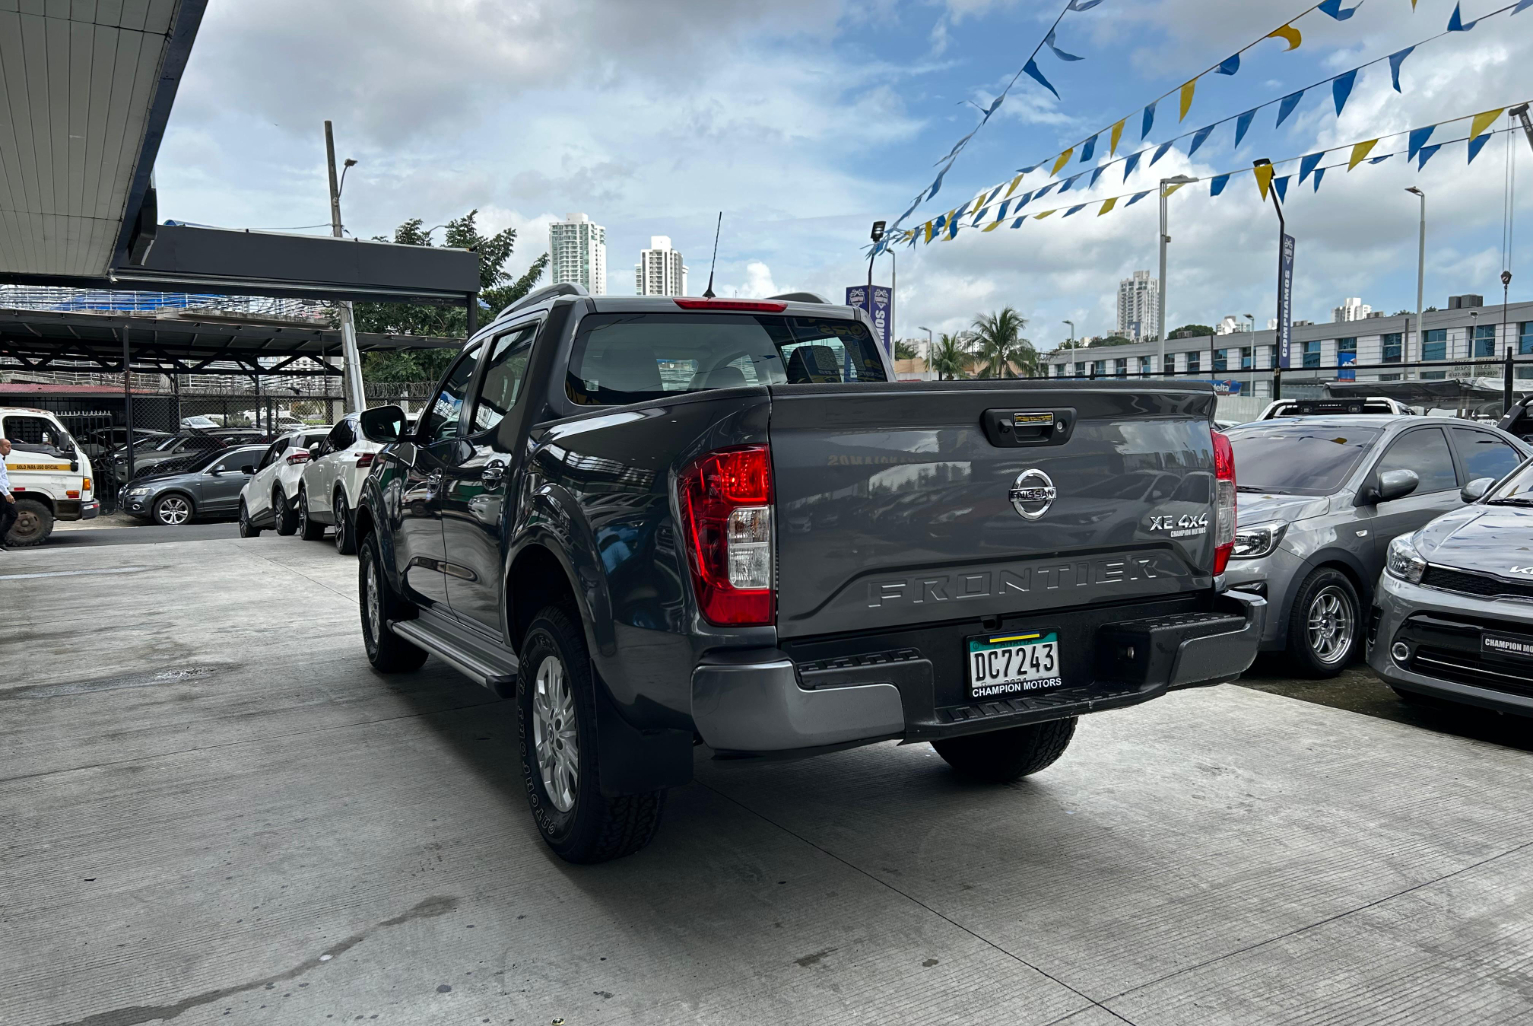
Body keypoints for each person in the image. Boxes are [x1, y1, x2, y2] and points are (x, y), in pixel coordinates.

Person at [0, 437, 14, 549]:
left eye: (10, 446)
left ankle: (1, 539)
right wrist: (6, 493)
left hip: (4, 491)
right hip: (1, 492)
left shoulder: (2, 459)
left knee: (13, 514)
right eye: (7, 446)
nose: (10, 448)